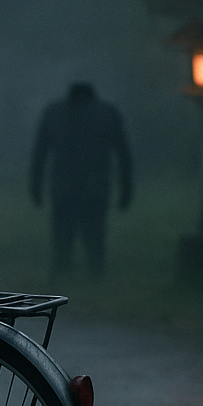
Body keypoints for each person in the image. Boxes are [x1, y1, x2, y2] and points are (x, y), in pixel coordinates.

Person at [29, 82, 133, 277]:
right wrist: (126, 190)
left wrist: (36, 187)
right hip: (95, 187)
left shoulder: (54, 113)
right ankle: (95, 275)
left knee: (62, 237)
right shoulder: (107, 114)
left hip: (64, 188)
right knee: (94, 236)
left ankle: (61, 275)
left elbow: (40, 154)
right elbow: (123, 154)